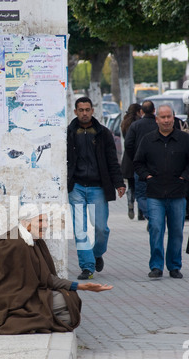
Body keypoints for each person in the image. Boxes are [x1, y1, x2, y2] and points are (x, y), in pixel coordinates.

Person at [0, 204, 113, 335]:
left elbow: (45, 276)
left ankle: (41, 318)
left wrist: (77, 287)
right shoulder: (14, 244)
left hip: (31, 292)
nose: (45, 226)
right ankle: (33, 318)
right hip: (15, 298)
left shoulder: (35, 241)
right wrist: (81, 286)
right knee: (66, 301)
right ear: (26, 223)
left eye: (46, 221)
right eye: (40, 221)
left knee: (69, 302)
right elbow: (24, 281)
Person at [67, 97, 126, 280]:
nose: (84, 113)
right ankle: (87, 267)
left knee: (101, 229)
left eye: (87, 109)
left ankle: (97, 253)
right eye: (81, 110)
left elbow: (112, 161)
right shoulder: (68, 133)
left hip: (98, 188)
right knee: (80, 230)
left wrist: (119, 183)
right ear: (75, 111)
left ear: (93, 111)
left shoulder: (103, 133)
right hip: (76, 187)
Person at [134, 104, 189, 279]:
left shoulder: (184, 139)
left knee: (176, 231)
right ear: (156, 119)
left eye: (169, 117)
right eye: (162, 117)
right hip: (155, 194)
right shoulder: (148, 140)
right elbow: (138, 162)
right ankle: (156, 266)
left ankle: (174, 266)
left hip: (178, 193)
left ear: (174, 118)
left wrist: (184, 177)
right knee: (156, 228)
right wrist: (147, 177)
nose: (166, 120)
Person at [124, 100, 158, 221]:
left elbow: (128, 144)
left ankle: (151, 217)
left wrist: (135, 157)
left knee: (141, 195)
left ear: (142, 111)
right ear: (154, 110)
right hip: (159, 165)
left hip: (140, 167)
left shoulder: (135, 125)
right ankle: (156, 217)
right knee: (157, 195)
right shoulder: (158, 124)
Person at [120, 103, 143, 219]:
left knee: (131, 185)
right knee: (141, 186)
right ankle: (141, 212)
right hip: (138, 157)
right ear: (139, 111)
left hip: (128, 158)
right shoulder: (138, 123)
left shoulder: (125, 122)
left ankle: (130, 202)